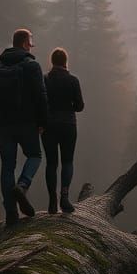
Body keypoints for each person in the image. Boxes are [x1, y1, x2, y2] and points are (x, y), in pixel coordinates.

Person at [0, 28, 48, 225]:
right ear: (26, 43)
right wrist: (43, 121)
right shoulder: (32, 66)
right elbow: (41, 96)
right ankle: (23, 185)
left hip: (2, 124)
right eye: (31, 42)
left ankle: (11, 213)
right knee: (35, 155)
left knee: (7, 167)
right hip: (27, 122)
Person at [42, 47, 84, 214]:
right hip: (68, 125)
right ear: (66, 62)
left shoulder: (44, 79)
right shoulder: (73, 80)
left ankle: (52, 199)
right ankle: (64, 197)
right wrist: (70, 106)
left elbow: (40, 102)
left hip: (49, 125)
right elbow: (80, 106)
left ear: (52, 62)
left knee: (51, 163)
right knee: (67, 161)